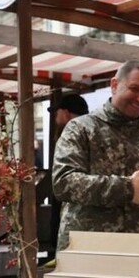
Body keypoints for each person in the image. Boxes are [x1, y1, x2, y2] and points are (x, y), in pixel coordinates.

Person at [52, 60, 139, 272]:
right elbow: (64, 182)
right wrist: (127, 188)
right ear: (115, 85)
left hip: (138, 257)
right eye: (135, 89)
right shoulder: (81, 129)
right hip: (86, 255)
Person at [46, 94, 89, 259]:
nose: (55, 116)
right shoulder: (93, 131)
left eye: (57, 112)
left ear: (65, 113)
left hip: (71, 215)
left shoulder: (70, 135)